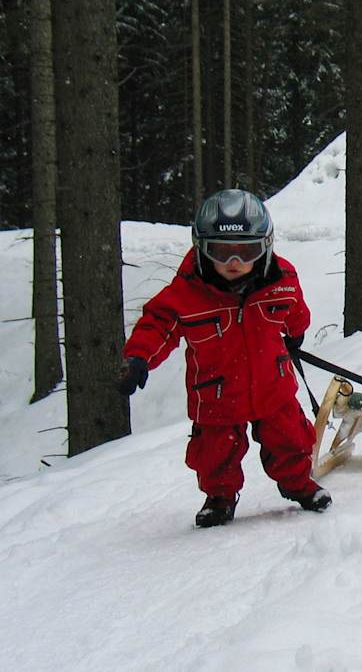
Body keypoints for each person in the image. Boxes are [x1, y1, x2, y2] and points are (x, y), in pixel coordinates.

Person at [117, 189, 332, 528]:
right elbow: (158, 325)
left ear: (264, 247)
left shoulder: (281, 279)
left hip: (272, 386)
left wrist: (296, 330)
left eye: (245, 251)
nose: (234, 263)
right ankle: (219, 498)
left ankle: (299, 485)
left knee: (290, 439)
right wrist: (139, 357)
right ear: (202, 248)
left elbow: (294, 308)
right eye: (221, 251)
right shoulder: (187, 293)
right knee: (215, 454)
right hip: (216, 394)